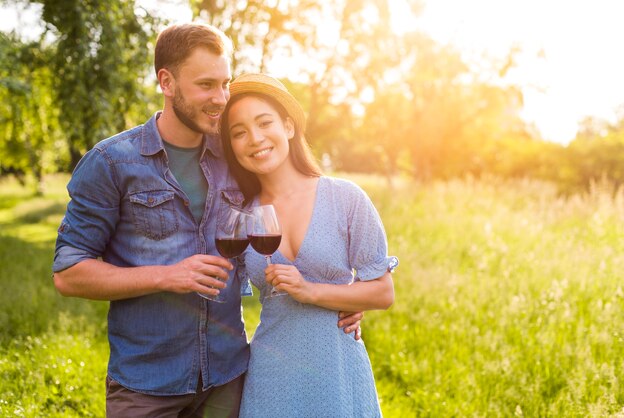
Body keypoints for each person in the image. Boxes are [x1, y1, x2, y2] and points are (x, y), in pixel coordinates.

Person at [52, 23, 362, 417]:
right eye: (206, 85)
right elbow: (68, 273)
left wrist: (342, 297)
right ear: (166, 81)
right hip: (147, 387)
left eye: (225, 83)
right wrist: (167, 275)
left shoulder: (235, 154)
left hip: (228, 380)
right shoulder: (112, 163)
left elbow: (292, 205)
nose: (220, 99)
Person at [220, 73, 398, 417]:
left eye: (264, 122)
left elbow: (382, 292)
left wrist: (313, 292)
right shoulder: (241, 214)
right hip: (271, 372)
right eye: (239, 132)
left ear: (288, 127)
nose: (254, 138)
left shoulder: (345, 198)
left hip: (337, 369)